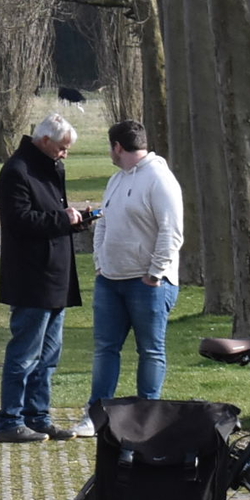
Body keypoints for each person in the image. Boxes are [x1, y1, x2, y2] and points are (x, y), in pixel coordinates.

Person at [0, 115, 89, 443]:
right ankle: (9, 420)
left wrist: (74, 220)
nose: (65, 155)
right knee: (25, 353)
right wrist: (61, 219)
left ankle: (38, 416)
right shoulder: (17, 171)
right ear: (45, 140)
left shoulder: (49, 167)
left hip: (55, 278)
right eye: (63, 148)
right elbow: (20, 220)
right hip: (31, 277)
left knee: (48, 356)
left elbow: (50, 216)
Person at [85, 119, 185, 420]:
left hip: (147, 283)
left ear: (117, 147)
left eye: (110, 148)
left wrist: (155, 273)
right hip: (110, 280)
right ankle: (97, 413)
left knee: (150, 351)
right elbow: (103, 220)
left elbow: (172, 231)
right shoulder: (116, 180)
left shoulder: (159, 178)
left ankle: (146, 415)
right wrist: (100, 263)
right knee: (105, 349)